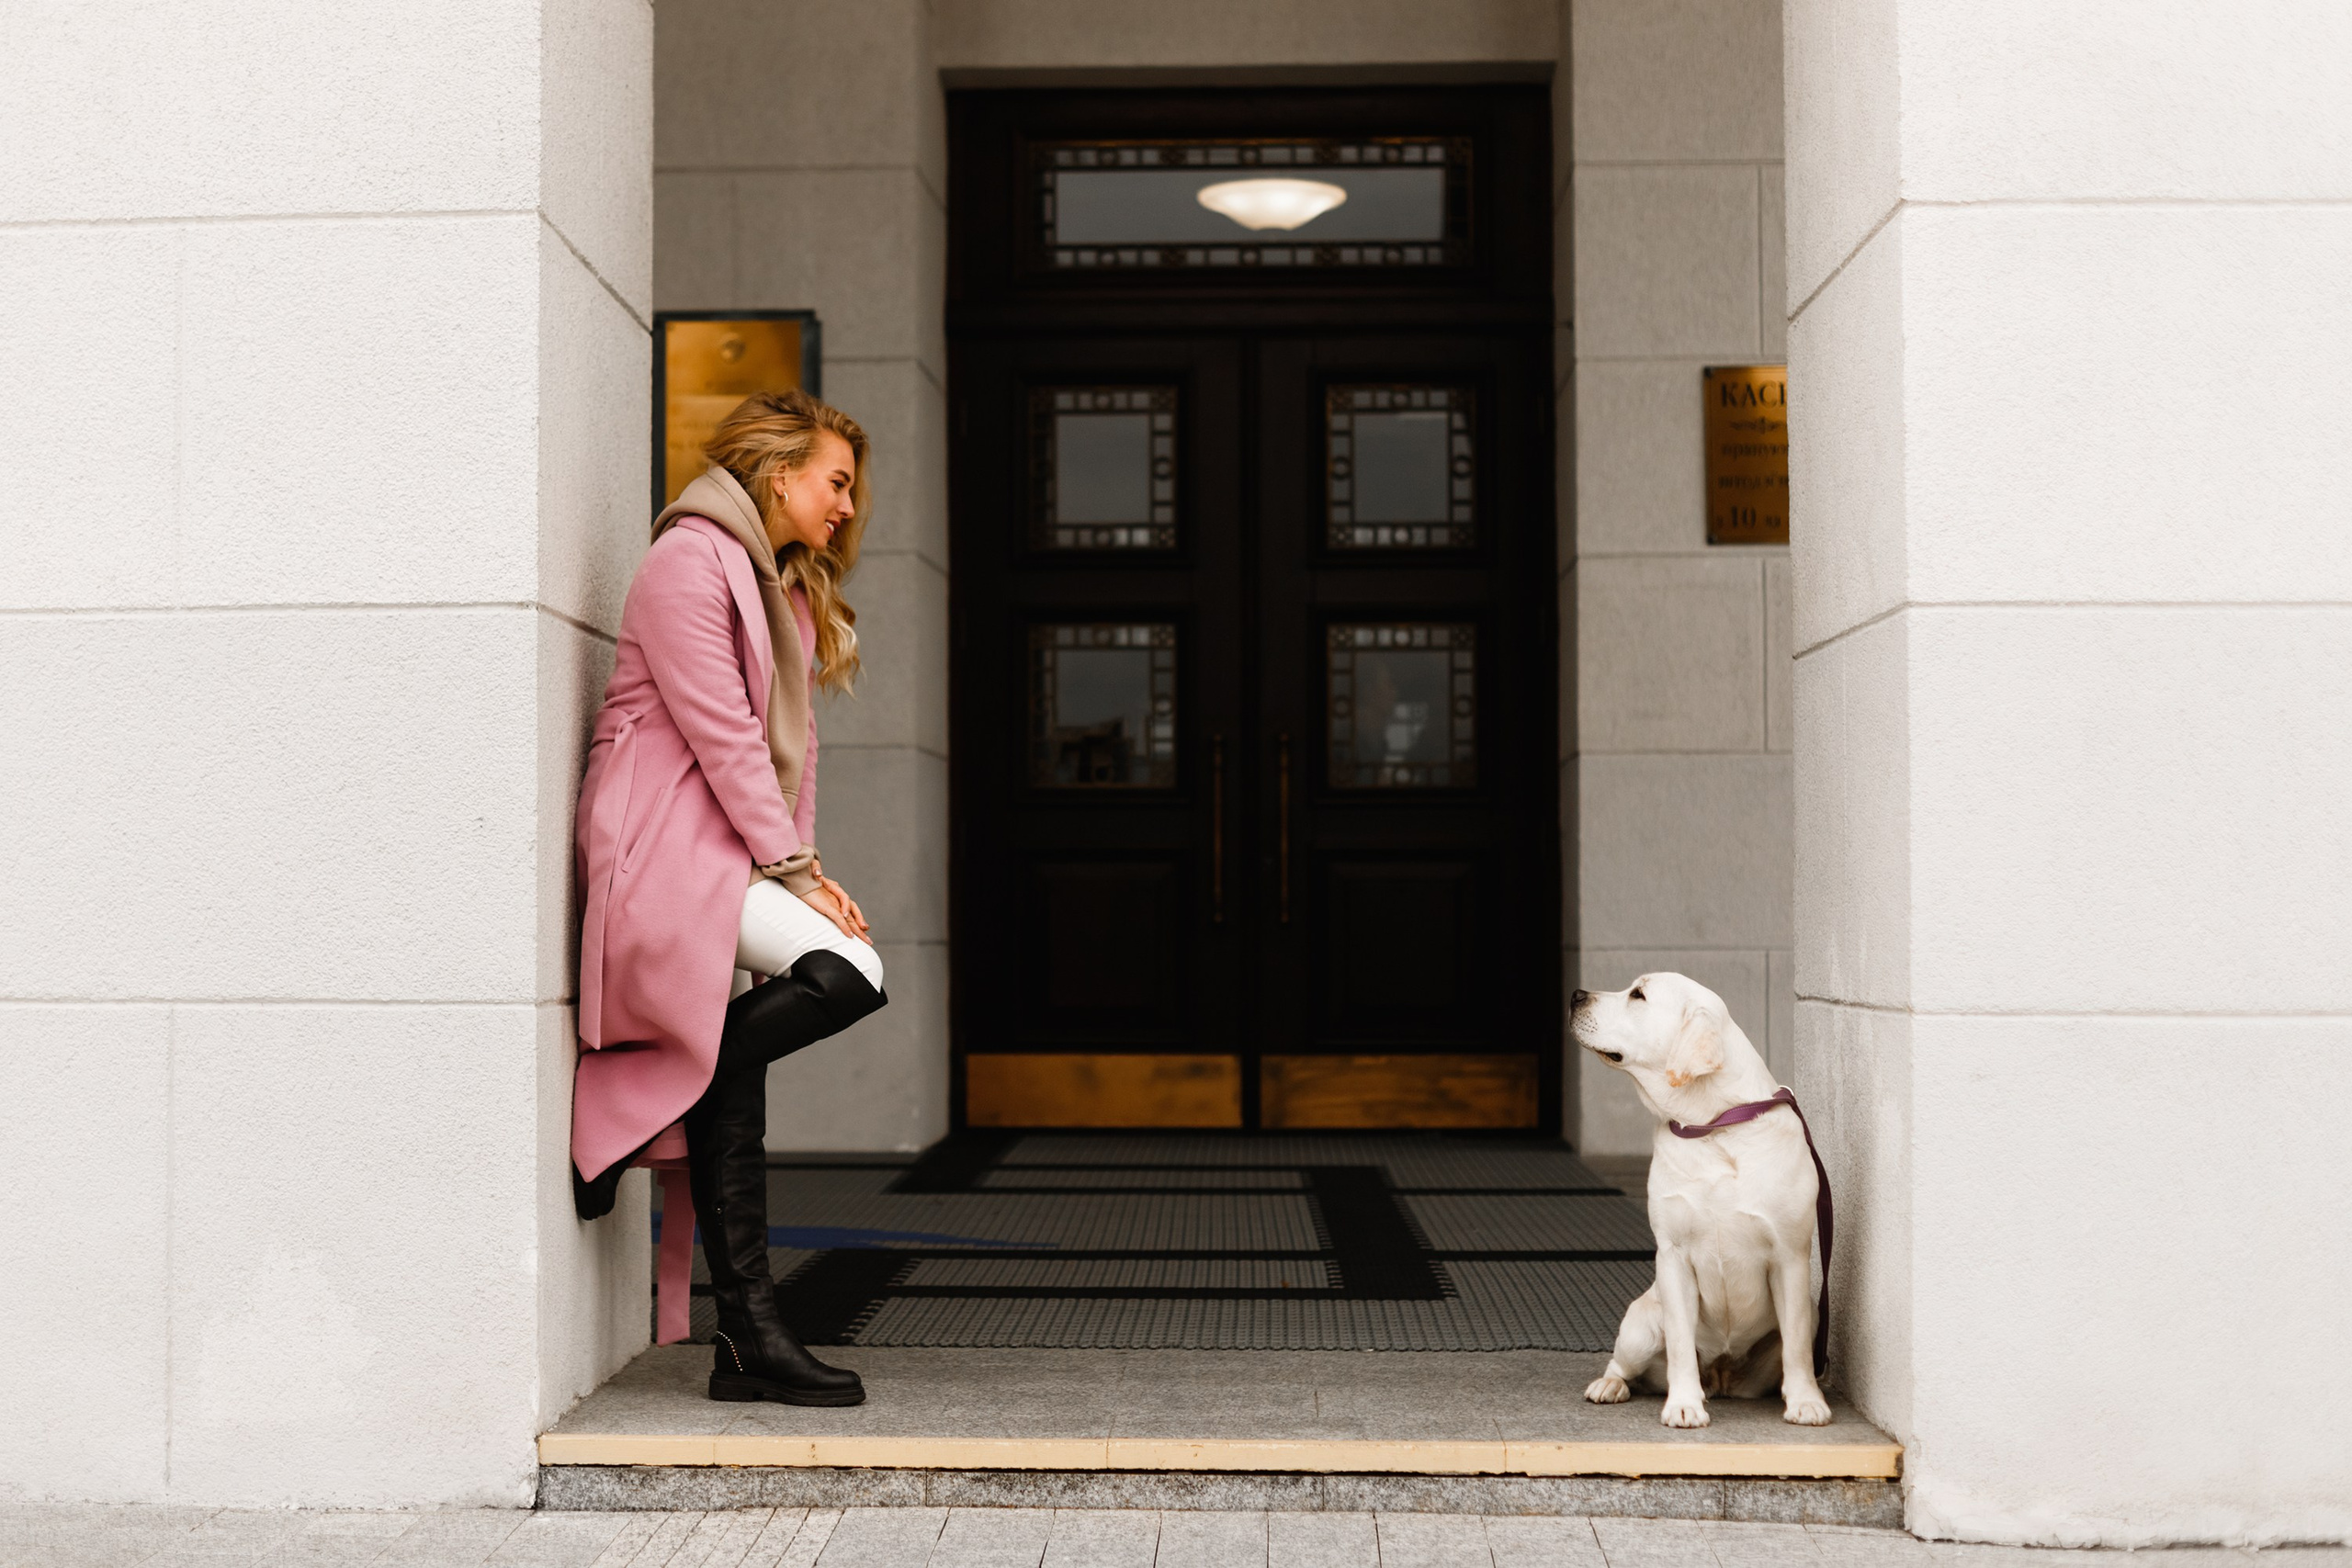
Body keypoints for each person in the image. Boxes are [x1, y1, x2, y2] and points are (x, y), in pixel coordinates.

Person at [568, 389, 885, 1407]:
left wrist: (806, 864)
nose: (846, 505)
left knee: (739, 1059)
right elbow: (724, 739)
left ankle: (747, 1338)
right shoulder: (687, 562)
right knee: (851, 974)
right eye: (835, 481)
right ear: (779, 470)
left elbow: (792, 766)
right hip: (662, 848)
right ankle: (627, 1110)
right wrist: (793, 872)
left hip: (732, 855)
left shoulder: (781, 587)